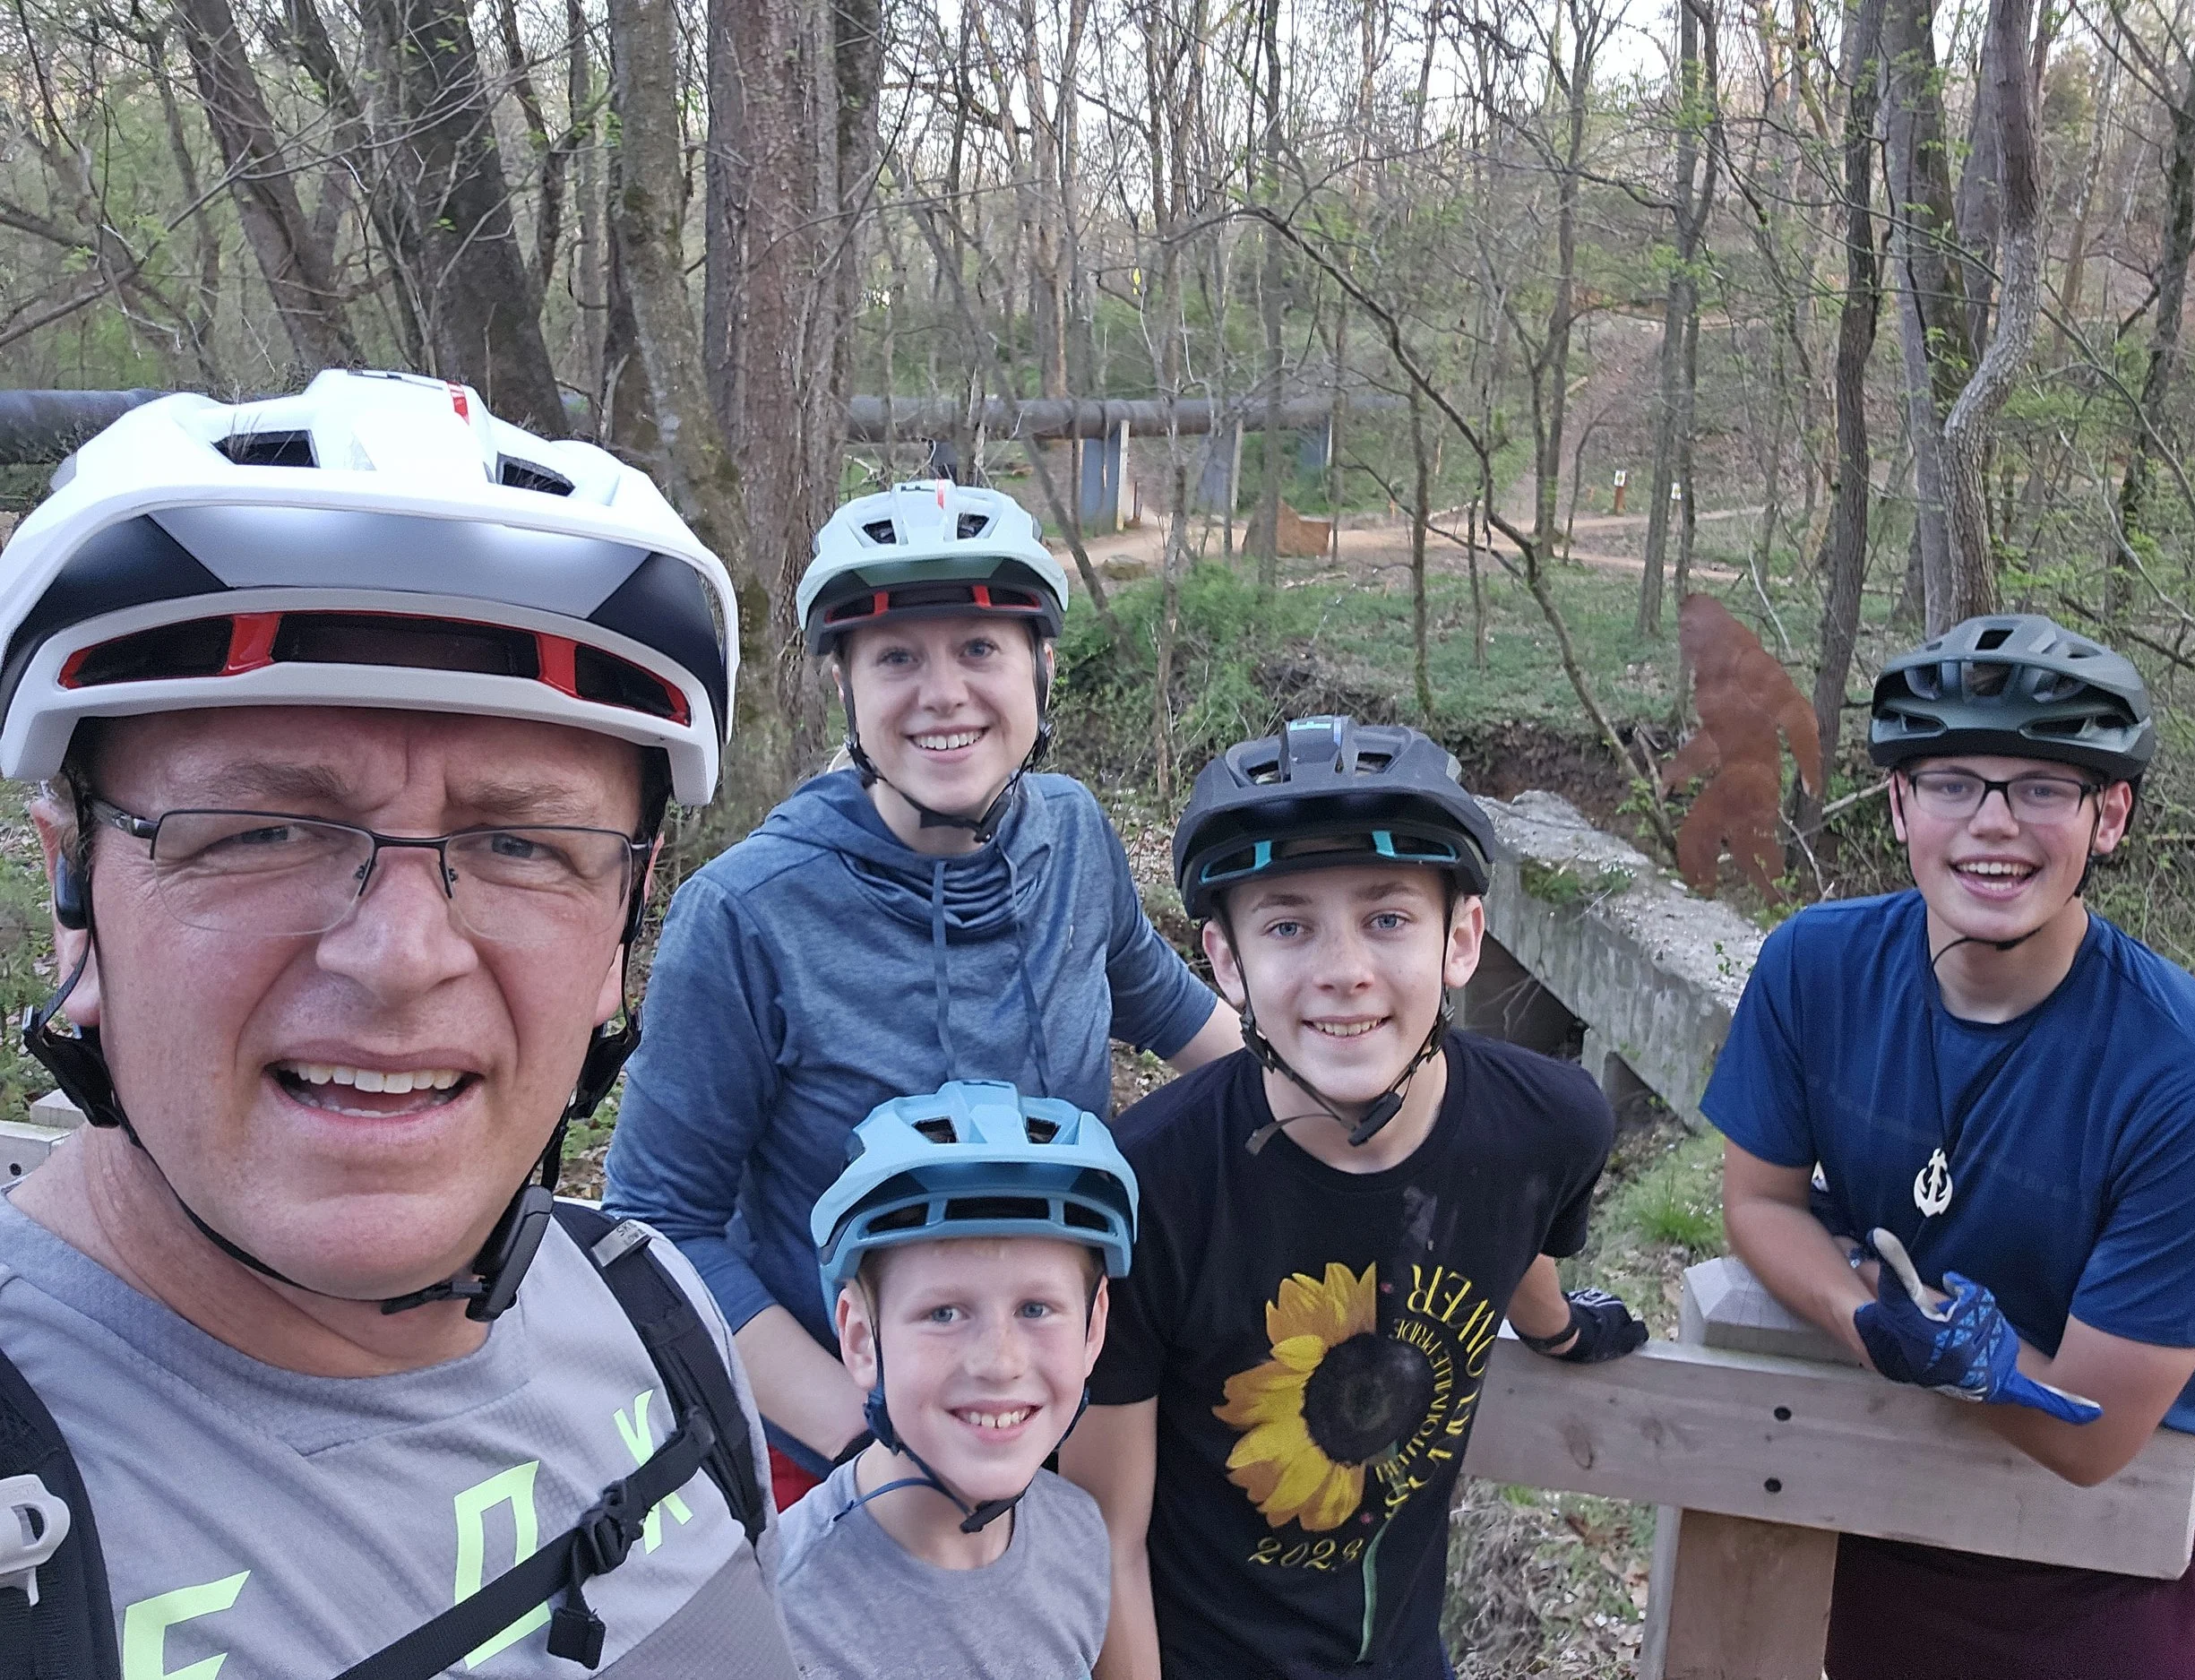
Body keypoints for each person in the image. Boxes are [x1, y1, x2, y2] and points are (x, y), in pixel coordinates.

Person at [0, 371, 794, 1677]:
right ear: (74, 896)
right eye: (260, 827)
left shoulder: (659, 1318)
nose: (402, 953)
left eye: (523, 840)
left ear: (625, 929)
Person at [602, 478, 1239, 1508]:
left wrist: (1358, 1116)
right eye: (897, 657)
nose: (942, 694)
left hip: (1051, 1410)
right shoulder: (748, 913)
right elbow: (659, 1221)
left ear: (1041, 669)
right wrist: (873, 1451)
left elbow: (1175, 1013)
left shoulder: (1071, 836)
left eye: (980, 649)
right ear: (846, 690)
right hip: (836, 1462)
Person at [1703, 615, 2195, 1679]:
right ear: (1900, 805)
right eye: (1951, 781)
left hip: (2139, 1557)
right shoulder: (1814, 970)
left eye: (2042, 787)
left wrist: (1981, 1367)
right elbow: (1758, 1202)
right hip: (1896, 1500)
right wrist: (1876, 1326)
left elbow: (2090, 1437)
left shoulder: (2193, 1080)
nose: (1992, 825)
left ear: (2110, 817)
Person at [1064, 716, 1647, 1679]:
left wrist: (1553, 1330)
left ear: (1461, 939)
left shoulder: (1552, 1124)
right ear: (1226, 960)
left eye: (1387, 919)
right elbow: (1105, 1538)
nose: (1343, 970)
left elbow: (1512, 1222)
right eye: (1288, 925)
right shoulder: (1147, 1188)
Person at [775, 1079, 1132, 1679]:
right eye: (944, 1313)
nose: (999, 1361)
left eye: (1036, 1309)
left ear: (1093, 1328)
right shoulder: (779, 1610)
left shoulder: (1079, 1535)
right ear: (862, 1338)